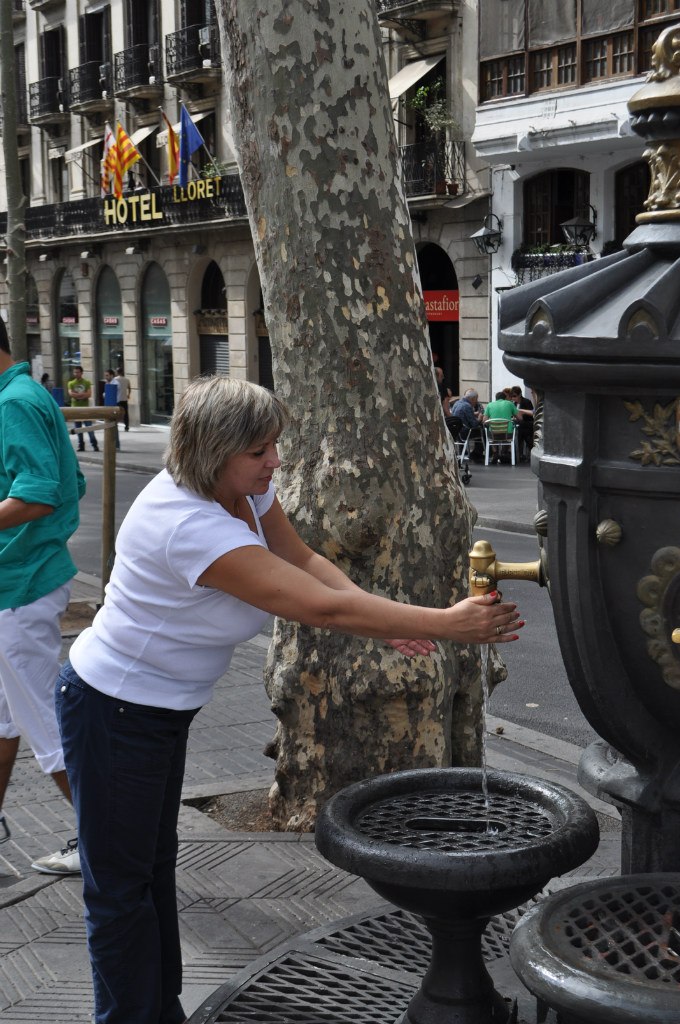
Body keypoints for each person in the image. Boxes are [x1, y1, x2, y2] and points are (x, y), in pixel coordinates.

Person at [56, 376, 524, 1024]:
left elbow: (303, 560)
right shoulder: (187, 525)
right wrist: (447, 623)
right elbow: (318, 608)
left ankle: (158, 1011)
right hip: (113, 710)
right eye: (259, 451)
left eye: (274, 445)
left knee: (150, 872)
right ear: (213, 450)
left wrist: (388, 622)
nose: (275, 461)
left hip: (155, 713)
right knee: (119, 891)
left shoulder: (241, 492)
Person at [0, 317, 85, 874]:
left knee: (45, 720)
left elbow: (39, 494)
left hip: (19, 584)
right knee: (7, 718)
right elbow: (70, 483)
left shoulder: (13, 403)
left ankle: (102, 840)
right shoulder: (26, 395)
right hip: (24, 579)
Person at [68, 366, 99, 453]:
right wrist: (82, 395)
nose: (76, 374)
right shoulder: (71, 383)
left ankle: (94, 445)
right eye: (75, 372)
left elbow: (89, 394)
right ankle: (81, 445)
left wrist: (77, 395)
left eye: (78, 372)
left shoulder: (86, 382)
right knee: (78, 429)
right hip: (75, 409)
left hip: (85, 409)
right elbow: (71, 394)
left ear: (82, 373)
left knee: (89, 428)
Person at [510, 386, 534, 461]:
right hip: (518, 425)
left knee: (523, 431)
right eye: (511, 396)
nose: (513, 398)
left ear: (520, 394)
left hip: (527, 423)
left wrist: (521, 415)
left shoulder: (527, 402)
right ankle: (515, 453)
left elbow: (531, 415)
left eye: (514, 396)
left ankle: (520, 453)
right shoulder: (513, 404)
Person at [104, 370, 121, 451]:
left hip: (114, 406)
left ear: (112, 375)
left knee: (114, 426)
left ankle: (116, 445)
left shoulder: (115, 383)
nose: (106, 377)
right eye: (105, 375)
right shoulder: (108, 383)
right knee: (109, 426)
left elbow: (110, 394)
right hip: (109, 406)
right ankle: (111, 444)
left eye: (107, 375)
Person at [113, 365, 131, 431]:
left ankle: (115, 425)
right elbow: (129, 388)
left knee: (116, 413)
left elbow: (113, 389)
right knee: (126, 413)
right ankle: (127, 426)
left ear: (117, 372)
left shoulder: (115, 379)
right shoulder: (127, 379)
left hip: (118, 399)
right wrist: (128, 395)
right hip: (124, 399)